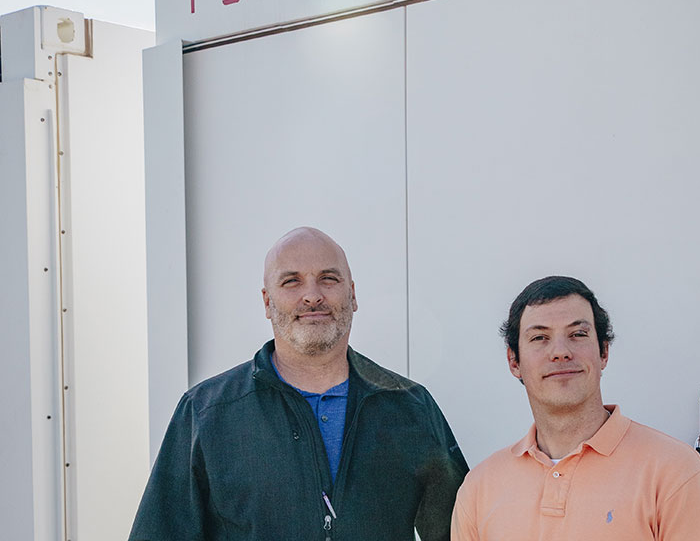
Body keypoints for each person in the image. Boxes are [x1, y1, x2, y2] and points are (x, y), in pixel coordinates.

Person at [129, 227, 467, 541]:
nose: (312, 295)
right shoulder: (206, 413)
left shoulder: (410, 407)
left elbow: (460, 532)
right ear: (267, 302)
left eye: (328, 279)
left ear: (352, 295)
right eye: (291, 281)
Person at [451, 275, 700, 541]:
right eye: (539, 338)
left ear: (603, 352)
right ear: (514, 361)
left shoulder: (677, 472)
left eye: (578, 334)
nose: (560, 351)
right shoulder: (479, 489)